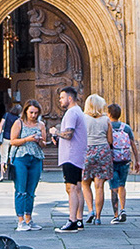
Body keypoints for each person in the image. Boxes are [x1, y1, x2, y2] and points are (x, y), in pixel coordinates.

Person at [53, 86, 88, 232]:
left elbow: (68, 134)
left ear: (69, 98)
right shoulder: (78, 111)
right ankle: (79, 219)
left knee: (71, 188)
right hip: (77, 154)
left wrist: (56, 132)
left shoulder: (71, 113)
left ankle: (72, 220)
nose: (60, 100)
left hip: (71, 155)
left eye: (61, 97)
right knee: (77, 187)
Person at [8, 100, 45, 231]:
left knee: (31, 191)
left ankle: (29, 218)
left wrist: (40, 141)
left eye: (36, 113)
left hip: (36, 158)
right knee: (20, 189)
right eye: (31, 112)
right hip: (21, 158)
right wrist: (27, 139)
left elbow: (43, 144)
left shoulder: (41, 125)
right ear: (25, 111)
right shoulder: (19, 123)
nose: (33, 115)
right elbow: (13, 141)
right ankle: (20, 220)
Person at [80, 95, 112, 225]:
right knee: (99, 186)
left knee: (85, 183)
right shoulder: (106, 120)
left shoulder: (83, 119)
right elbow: (110, 140)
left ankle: (91, 210)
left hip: (87, 151)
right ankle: (98, 217)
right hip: (103, 151)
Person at [105, 103, 138, 224]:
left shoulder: (107, 127)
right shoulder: (126, 128)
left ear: (109, 114)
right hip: (125, 159)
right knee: (122, 185)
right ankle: (123, 209)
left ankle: (115, 214)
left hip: (112, 160)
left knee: (113, 187)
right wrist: (137, 160)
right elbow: (133, 144)